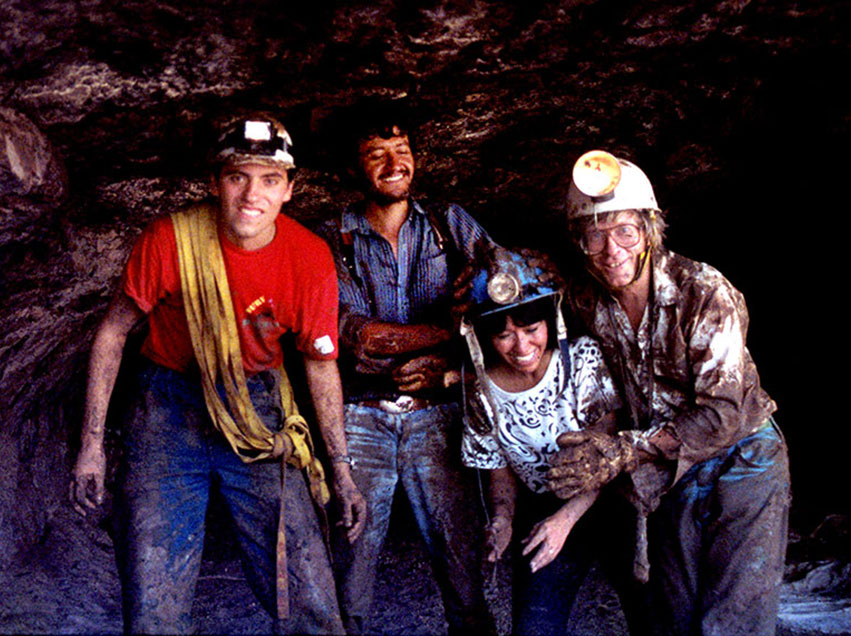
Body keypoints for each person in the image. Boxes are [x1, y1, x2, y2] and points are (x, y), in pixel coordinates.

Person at [68, 113, 366, 634]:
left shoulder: (308, 257)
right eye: (237, 177)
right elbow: (113, 333)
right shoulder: (170, 240)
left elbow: (320, 364)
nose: (252, 194)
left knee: (308, 593)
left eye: (270, 180)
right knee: (153, 601)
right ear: (214, 182)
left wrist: (340, 469)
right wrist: (91, 444)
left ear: (290, 190)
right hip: (167, 412)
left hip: (257, 412)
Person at [548, 150, 791, 635]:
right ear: (580, 242)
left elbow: (722, 416)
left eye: (625, 231)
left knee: (733, 620)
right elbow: (526, 312)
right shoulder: (587, 300)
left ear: (649, 232)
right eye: (594, 235)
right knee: (673, 617)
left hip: (745, 459)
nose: (610, 249)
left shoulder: (702, 291)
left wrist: (623, 451)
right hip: (672, 470)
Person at [316, 99, 495, 635]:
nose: (395, 164)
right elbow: (366, 336)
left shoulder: (448, 222)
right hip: (360, 415)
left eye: (403, 151)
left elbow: (516, 293)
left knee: (464, 572)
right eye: (377, 154)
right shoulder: (329, 238)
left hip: (439, 414)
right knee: (349, 576)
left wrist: (490, 290)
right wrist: (454, 327)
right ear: (353, 169)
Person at [459, 247, 632, 635]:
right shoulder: (481, 391)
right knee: (534, 627)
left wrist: (564, 521)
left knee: (654, 613)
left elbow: (609, 453)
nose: (521, 348)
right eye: (503, 335)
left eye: (531, 329)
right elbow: (499, 466)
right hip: (546, 507)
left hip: (612, 500)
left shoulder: (583, 359)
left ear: (550, 322)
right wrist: (502, 520)